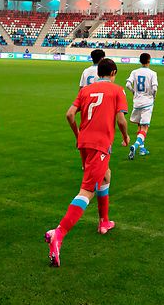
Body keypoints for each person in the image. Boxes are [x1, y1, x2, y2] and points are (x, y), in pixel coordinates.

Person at [45, 59, 129, 267]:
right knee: (87, 190)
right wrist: (126, 136)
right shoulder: (117, 90)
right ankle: (59, 233)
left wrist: (78, 133)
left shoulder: (86, 90)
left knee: (106, 176)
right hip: (99, 144)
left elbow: (69, 114)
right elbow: (121, 120)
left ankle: (104, 222)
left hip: (84, 142)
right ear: (113, 72)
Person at [126, 53, 158, 160]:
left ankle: (142, 148)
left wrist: (133, 92)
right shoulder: (152, 73)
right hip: (147, 102)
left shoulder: (134, 72)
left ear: (140, 61)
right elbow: (154, 88)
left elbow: (128, 84)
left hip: (137, 102)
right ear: (149, 61)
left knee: (139, 125)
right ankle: (135, 146)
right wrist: (153, 96)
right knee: (145, 127)